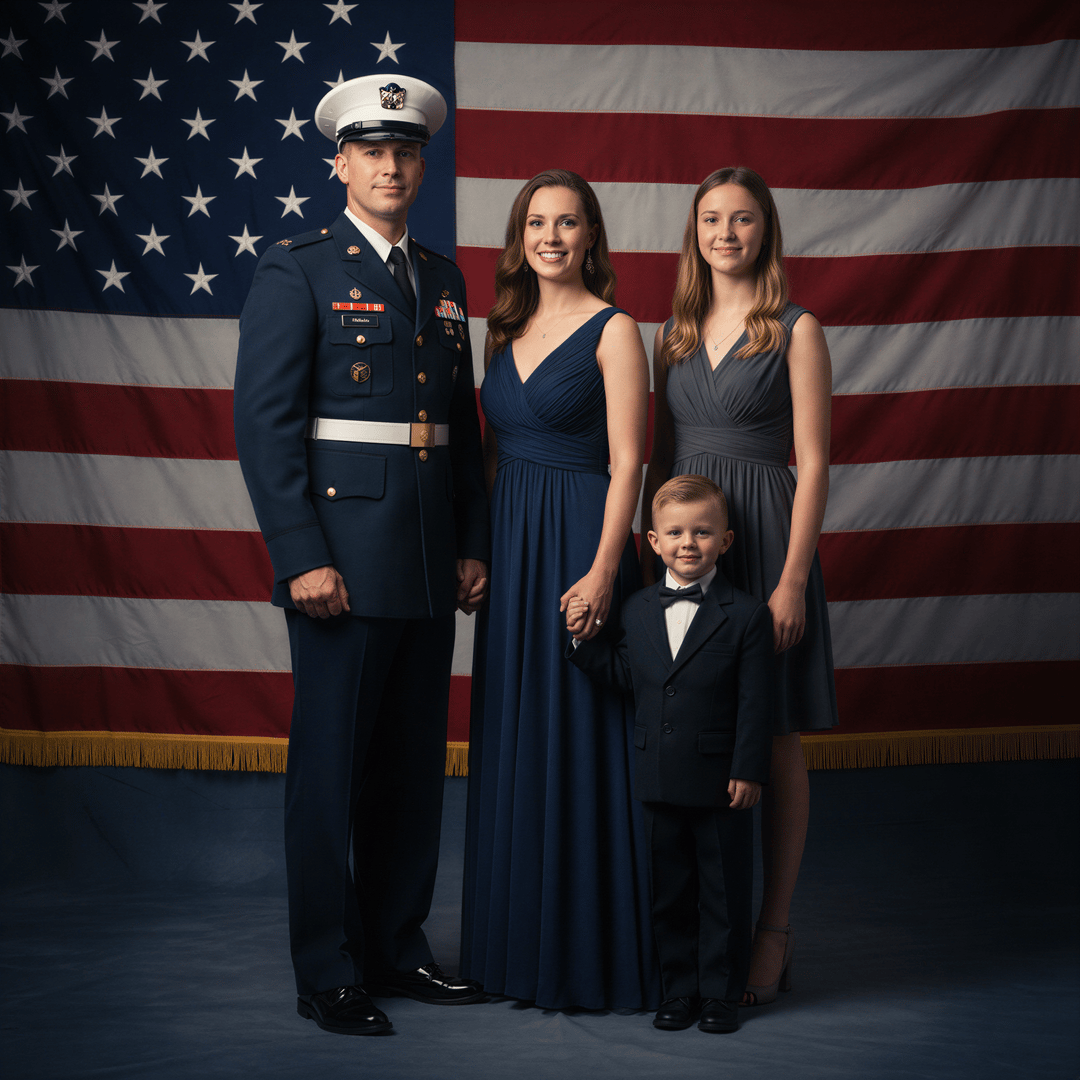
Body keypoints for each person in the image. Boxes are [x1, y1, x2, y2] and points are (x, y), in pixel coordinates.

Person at [233, 74, 490, 1036]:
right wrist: (300, 554)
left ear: (422, 166)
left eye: (406, 153)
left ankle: (397, 947)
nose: (391, 167)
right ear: (339, 164)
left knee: (412, 770)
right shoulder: (296, 268)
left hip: (426, 560)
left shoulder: (445, 279)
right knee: (331, 774)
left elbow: (456, 429)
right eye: (373, 152)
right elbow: (265, 427)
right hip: (338, 562)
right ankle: (327, 969)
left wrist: (471, 542)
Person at [459, 169, 659, 1010]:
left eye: (568, 223)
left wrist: (607, 569)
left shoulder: (616, 330)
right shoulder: (501, 331)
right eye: (537, 223)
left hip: (583, 538)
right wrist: (481, 553)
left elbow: (630, 463)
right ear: (520, 238)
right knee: (518, 729)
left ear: (591, 237)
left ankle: (595, 955)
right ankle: (513, 952)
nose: (551, 237)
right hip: (513, 549)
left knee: (585, 732)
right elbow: (491, 455)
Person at [641, 167, 838, 1007]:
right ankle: (691, 932)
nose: (726, 232)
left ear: (766, 231)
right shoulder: (672, 334)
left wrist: (790, 579)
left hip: (764, 537)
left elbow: (815, 462)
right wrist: (649, 559)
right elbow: (658, 459)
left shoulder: (796, 328)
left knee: (775, 731)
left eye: (743, 218)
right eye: (712, 218)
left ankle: (773, 929)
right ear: (695, 232)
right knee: (691, 724)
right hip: (686, 543)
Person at [567, 475, 774, 1034]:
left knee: (723, 892)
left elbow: (756, 704)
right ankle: (678, 991)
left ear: (725, 541)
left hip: (721, 782)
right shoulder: (635, 609)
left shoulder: (748, 614)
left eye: (702, 532)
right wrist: (581, 641)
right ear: (654, 542)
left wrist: (748, 770)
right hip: (657, 774)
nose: (689, 543)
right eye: (676, 533)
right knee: (670, 893)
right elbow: (626, 676)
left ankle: (720, 995)